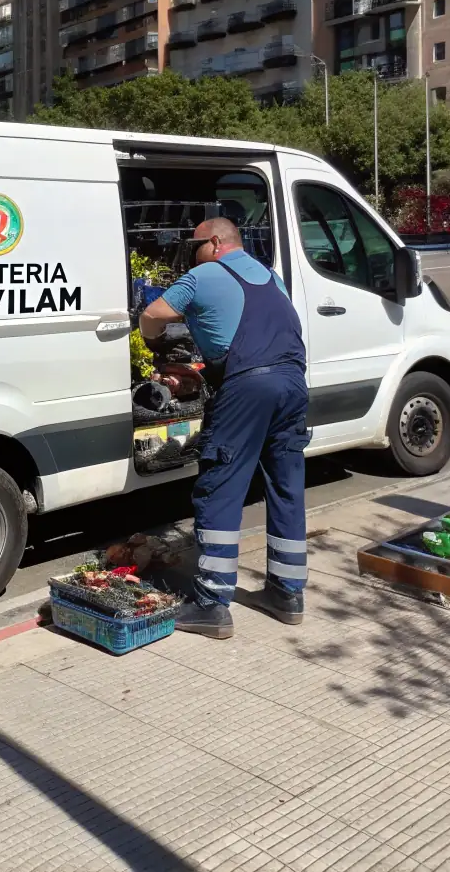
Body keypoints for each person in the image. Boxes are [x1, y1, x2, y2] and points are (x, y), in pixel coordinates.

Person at [140, 217, 309, 639]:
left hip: (249, 387)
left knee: (220, 485)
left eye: (195, 244)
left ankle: (212, 604)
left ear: (215, 242)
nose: (191, 253)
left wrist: (154, 345)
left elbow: (152, 314)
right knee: (286, 486)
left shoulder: (203, 274)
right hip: (292, 383)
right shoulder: (273, 277)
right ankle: (287, 594)